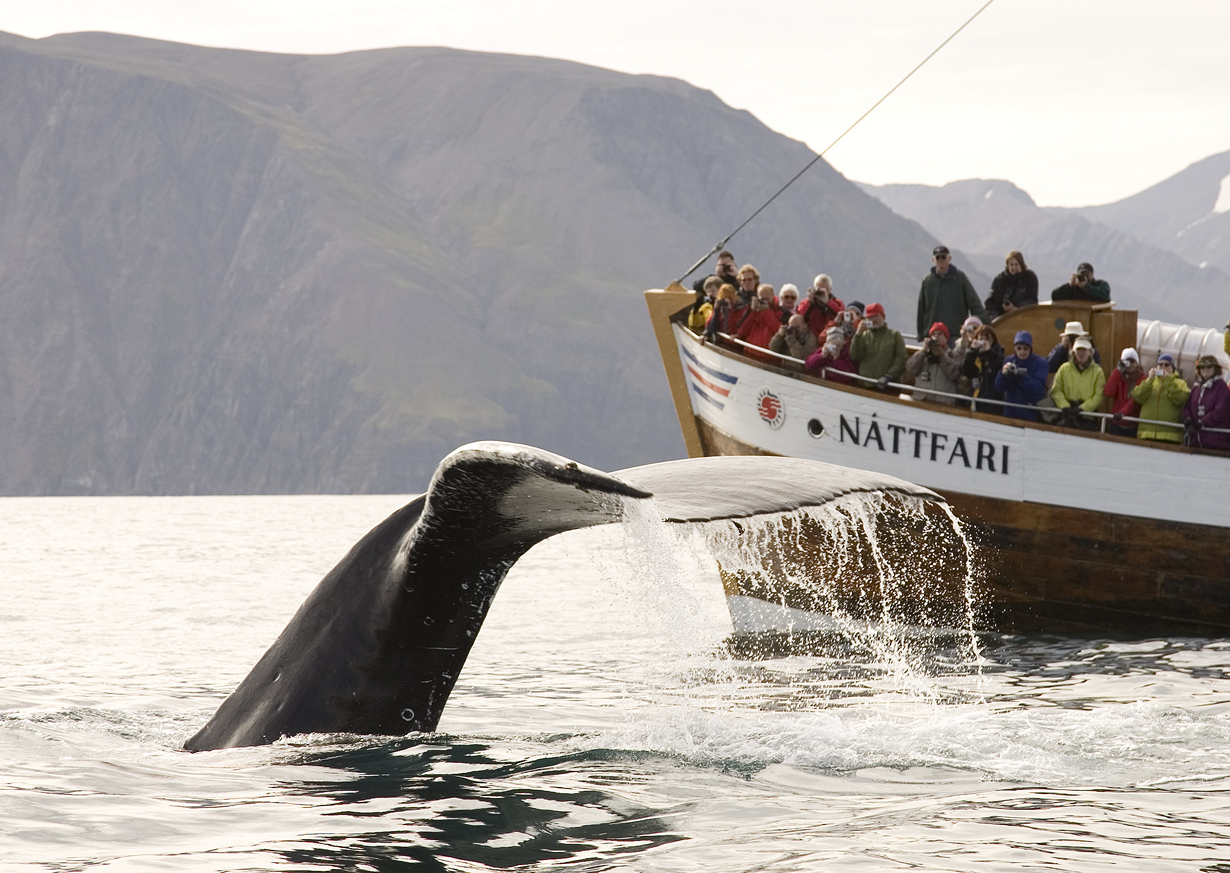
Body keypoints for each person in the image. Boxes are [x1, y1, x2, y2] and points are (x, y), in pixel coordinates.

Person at [916, 245, 986, 341]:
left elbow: (974, 302)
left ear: (949, 259)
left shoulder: (960, 278)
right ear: (933, 260)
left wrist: (984, 324)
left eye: (943, 257)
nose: (941, 260)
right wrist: (921, 334)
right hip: (933, 335)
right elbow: (921, 309)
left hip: (955, 335)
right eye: (938, 257)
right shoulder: (927, 281)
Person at [1131, 353, 1190, 443]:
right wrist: (1149, 380)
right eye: (1160, 364)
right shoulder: (1150, 381)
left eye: (1166, 365)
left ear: (1173, 368)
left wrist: (1167, 380)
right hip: (1147, 433)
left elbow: (1181, 399)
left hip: (1169, 435)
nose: (1163, 367)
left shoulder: (1180, 383)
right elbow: (1137, 396)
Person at [1050, 336, 1106, 430]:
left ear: (1090, 352)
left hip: (1087, 416)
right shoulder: (1064, 368)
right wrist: (1065, 406)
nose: (1081, 353)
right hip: (1066, 414)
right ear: (1074, 352)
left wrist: (1082, 409)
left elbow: (1099, 396)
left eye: (1084, 350)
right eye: (1078, 350)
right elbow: (1056, 390)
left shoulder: (1098, 372)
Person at [850, 302, 906, 391]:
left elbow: (901, 359)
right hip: (865, 385)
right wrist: (858, 334)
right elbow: (855, 356)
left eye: (875, 316)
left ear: (883, 317)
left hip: (888, 387)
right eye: (869, 317)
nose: (872, 320)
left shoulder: (894, 335)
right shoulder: (863, 335)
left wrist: (889, 376)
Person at [994, 330, 1049, 421]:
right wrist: (1003, 374)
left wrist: (1022, 376)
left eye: (1025, 348)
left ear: (1030, 349)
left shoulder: (1041, 363)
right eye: (1019, 348)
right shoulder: (1009, 360)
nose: (1022, 352)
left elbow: (1039, 389)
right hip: (1010, 410)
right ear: (1015, 349)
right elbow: (999, 388)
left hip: (1030, 412)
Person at [906, 322, 963, 406]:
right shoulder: (923, 355)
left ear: (946, 338)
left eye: (940, 334)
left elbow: (955, 373)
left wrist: (941, 355)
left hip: (943, 404)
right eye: (933, 334)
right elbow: (911, 369)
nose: (936, 336)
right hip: (921, 401)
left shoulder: (954, 355)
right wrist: (923, 351)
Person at [1183, 355, 1230, 451]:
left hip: (1216, 442)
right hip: (1196, 442)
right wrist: (1187, 419)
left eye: (1209, 367)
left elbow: (1220, 411)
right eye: (1202, 367)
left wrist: (1203, 422)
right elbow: (1187, 406)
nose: (1205, 370)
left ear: (1215, 369)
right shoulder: (1196, 387)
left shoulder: (1221, 387)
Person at [961, 325, 1005, 413]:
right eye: (981, 339)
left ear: (992, 340)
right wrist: (972, 351)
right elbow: (966, 371)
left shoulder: (998, 354)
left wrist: (989, 352)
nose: (983, 342)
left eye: (986, 339)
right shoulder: (975, 355)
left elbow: (997, 368)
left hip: (991, 401)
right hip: (975, 397)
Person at [1103, 347, 1146, 437]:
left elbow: (1136, 400)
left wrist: (1122, 413)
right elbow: (1108, 392)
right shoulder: (1118, 377)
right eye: (1127, 362)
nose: (1130, 365)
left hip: (1132, 424)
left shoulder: (1142, 380)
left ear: (1137, 363)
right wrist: (1117, 371)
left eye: (1133, 362)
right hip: (1117, 423)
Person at [984, 250, 1039, 318]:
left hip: (1024, 316)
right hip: (1002, 318)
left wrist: (1016, 308)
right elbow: (991, 303)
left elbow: (1032, 300)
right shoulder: (1000, 280)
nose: (1013, 267)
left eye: (1016, 264)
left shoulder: (1030, 277)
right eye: (1011, 265)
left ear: (1021, 265)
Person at [797, 274, 845, 340]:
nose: (821, 292)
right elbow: (799, 317)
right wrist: (809, 302)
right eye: (819, 289)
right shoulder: (805, 302)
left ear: (830, 289)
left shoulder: (838, 303)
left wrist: (828, 303)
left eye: (825, 290)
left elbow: (842, 316)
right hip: (810, 338)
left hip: (830, 337)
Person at [734, 284, 781, 349]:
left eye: (767, 299)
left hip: (767, 355)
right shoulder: (753, 309)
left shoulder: (779, 311)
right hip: (749, 351)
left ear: (773, 296)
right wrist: (753, 311)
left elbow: (777, 330)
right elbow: (743, 331)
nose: (765, 301)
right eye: (762, 299)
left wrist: (766, 311)